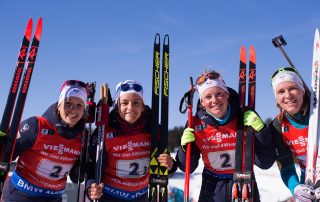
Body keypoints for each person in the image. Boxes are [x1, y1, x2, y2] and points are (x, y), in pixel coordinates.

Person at [175, 70, 274, 202]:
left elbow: (265, 162)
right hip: (212, 188)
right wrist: (184, 149)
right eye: (208, 97)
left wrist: (261, 131)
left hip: (244, 185)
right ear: (202, 103)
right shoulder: (195, 123)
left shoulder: (245, 116)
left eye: (219, 94)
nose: (214, 100)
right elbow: (188, 168)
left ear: (227, 94)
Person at [87, 80, 177, 202]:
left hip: (141, 196)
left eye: (136, 103)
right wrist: (90, 187)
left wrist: (170, 165)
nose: (130, 108)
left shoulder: (154, 128)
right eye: (124, 103)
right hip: (110, 196)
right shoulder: (105, 129)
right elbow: (92, 166)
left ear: (142, 106)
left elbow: (165, 163)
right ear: (117, 106)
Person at [1, 80, 90, 202]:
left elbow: (76, 177)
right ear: (59, 104)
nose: (73, 109)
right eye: (68, 103)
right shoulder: (36, 126)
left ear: (84, 109)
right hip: (22, 195)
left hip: (54, 197)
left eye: (79, 105)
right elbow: (6, 156)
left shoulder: (83, 136)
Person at [257, 67, 315, 201]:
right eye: (281, 91)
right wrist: (296, 187)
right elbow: (286, 166)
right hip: (309, 182)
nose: (288, 95)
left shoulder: (317, 115)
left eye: (292, 88)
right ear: (276, 98)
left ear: (303, 90)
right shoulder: (277, 126)